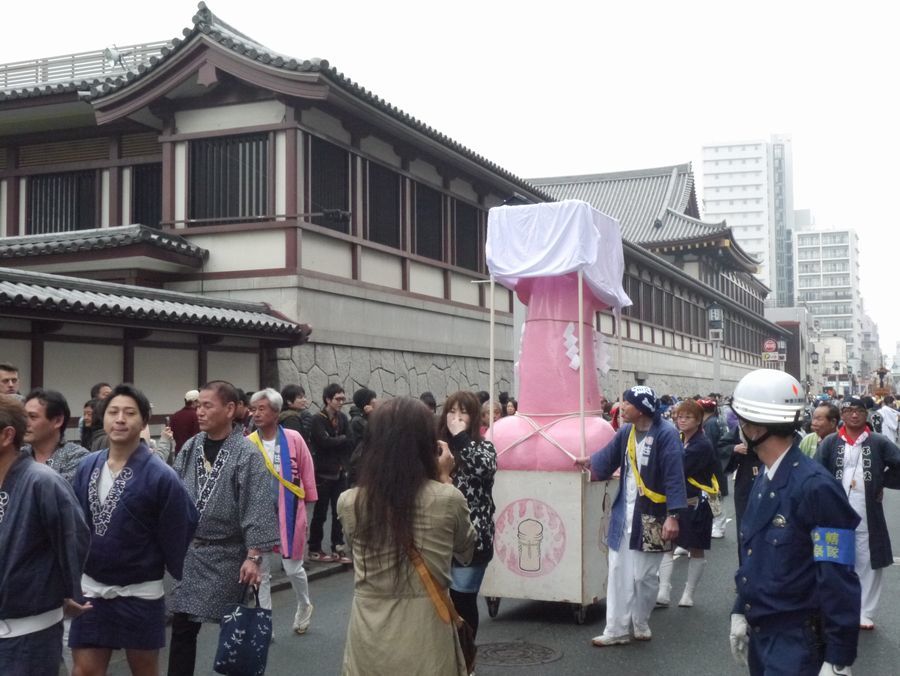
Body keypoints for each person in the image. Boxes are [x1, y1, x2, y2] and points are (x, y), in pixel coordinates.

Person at [729, 370, 861, 675]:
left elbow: (837, 575)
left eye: (742, 421)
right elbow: (754, 556)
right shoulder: (766, 475)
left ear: (756, 427)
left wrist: (838, 658)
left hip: (797, 643)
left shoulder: (816, 487)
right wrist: (740, 610)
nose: (740, 428)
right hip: (762, 633)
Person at [337, 397, 474, 676]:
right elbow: (466, 551)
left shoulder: (350, 501)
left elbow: (353, 549)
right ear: (428, 444)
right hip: (427, 636)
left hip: (369, 635)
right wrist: (444, 479)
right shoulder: (446, 498)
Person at [69, 385, 198, 676]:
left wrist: (161, 561)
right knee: (84, 671)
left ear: (143, 421)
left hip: (140, 591)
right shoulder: (87, 466)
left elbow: (181, 522)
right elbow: (75, 525)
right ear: (103, 418)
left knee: (144, 671)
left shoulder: (161, 475)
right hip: (92, 589)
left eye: (129, 413)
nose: (120, 419)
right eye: (113, 412)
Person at [166, 381, 279, 676]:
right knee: (182, 626)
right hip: (192, 553)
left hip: (230, 554)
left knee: (235, 627)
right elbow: (174, 493)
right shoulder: (190, 447)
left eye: (207, 406)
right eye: (198, 406)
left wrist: (254, 556)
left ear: (230, 410)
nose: (199, 412)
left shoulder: (246, 453)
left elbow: (257, 504)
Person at [575, 385, 687, 646]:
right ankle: (615, 629)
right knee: (616, 570)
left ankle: (640, 620)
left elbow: (674, 477)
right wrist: (588, 462)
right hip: (623, 513)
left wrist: (674, 516)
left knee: (643, 576)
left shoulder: (666, 435)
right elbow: (605, 460)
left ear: (642, 408)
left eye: (626, 403)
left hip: (652, 515)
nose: (621, 406)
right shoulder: (626, 432)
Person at [0, 395, 90, 676]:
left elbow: (74, 539)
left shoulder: (43, 481)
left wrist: (70, 590)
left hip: (30, 628)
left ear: (6, 435)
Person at [814, 396, 900, 630]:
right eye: (849, 410)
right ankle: (837, 606)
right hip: (836, 510)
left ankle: (865, 610)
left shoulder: (879, 442)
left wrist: (882, 481)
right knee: (835, 558)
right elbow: (816, 473)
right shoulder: (830, 443)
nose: (854, 414)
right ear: (842, 415)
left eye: (859, 411)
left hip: (867, 510)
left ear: (866, 414)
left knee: (868, 559)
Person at [248, 388, 318, 635]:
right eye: (253, 409)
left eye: (262, 408)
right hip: (259, 515)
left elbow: (307, 472)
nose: (256, 413)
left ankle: (304, 604)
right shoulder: (249, 443)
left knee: (292, 567)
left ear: (276, 412)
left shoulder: (293, 438)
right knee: (262, 571)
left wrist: (308, 507)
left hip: (291, 511)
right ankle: (264, 623)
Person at [439, 390, 496, 639]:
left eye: (463, 412)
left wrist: (461, 437)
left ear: (474, 418)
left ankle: (466, 656)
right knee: (436, 601)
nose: (456, 417)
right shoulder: (436, 447)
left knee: (463, 598)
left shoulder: (483, 447)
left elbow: (484, 468)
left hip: (473, 537)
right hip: (437, 534)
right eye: (452, 411)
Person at [657, 399, 717, 608]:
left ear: (699, 420)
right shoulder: (681, 438)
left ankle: (688, 593)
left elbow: (676, 469)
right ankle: (664, 590)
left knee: (696, 548)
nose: (682, 420)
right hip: (678, 502)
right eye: (679, 416)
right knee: (667, 544)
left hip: (696, 503)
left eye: (687, 417)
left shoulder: (701, 444)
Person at [308, 383, 353, 564]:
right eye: (338, 399)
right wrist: (339, 439)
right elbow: (323, 441)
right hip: (322, 472)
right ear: (328, 399)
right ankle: (314, 547)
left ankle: (338, 546)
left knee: (338, 511)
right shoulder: (317, 419)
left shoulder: (343, 417)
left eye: (343, 398)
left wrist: (336, 439)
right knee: (319, 512)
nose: (341, 402)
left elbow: (349, 440)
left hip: (339, 470)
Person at [22, 389, 90, 485]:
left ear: (57, 421)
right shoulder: (19, 455)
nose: (25, 423)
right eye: (24, 417)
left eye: (33, 417)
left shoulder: (78, 458)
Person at [698, 397, 729, 538]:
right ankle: (717, 524)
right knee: (715, 495)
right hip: (719, 463)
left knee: (713, 496)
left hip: (712, 466)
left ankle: (719, 525)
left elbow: (708, 448)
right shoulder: (717, 420)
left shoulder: (709, 425)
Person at [347, 388, 378, 487]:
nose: (375, 401)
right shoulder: (358, 421)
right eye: (373, 398)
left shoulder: (364, 418)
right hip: (361, 467)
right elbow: (378, 433)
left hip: (368, 465)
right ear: (366, 402)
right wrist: (373, 414)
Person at [168, 390, 200, 457]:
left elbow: (171, 434)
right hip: (193, 454)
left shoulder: (175, 416)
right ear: (194, 402)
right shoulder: (197, 416)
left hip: (179, 452)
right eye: (199, 402)